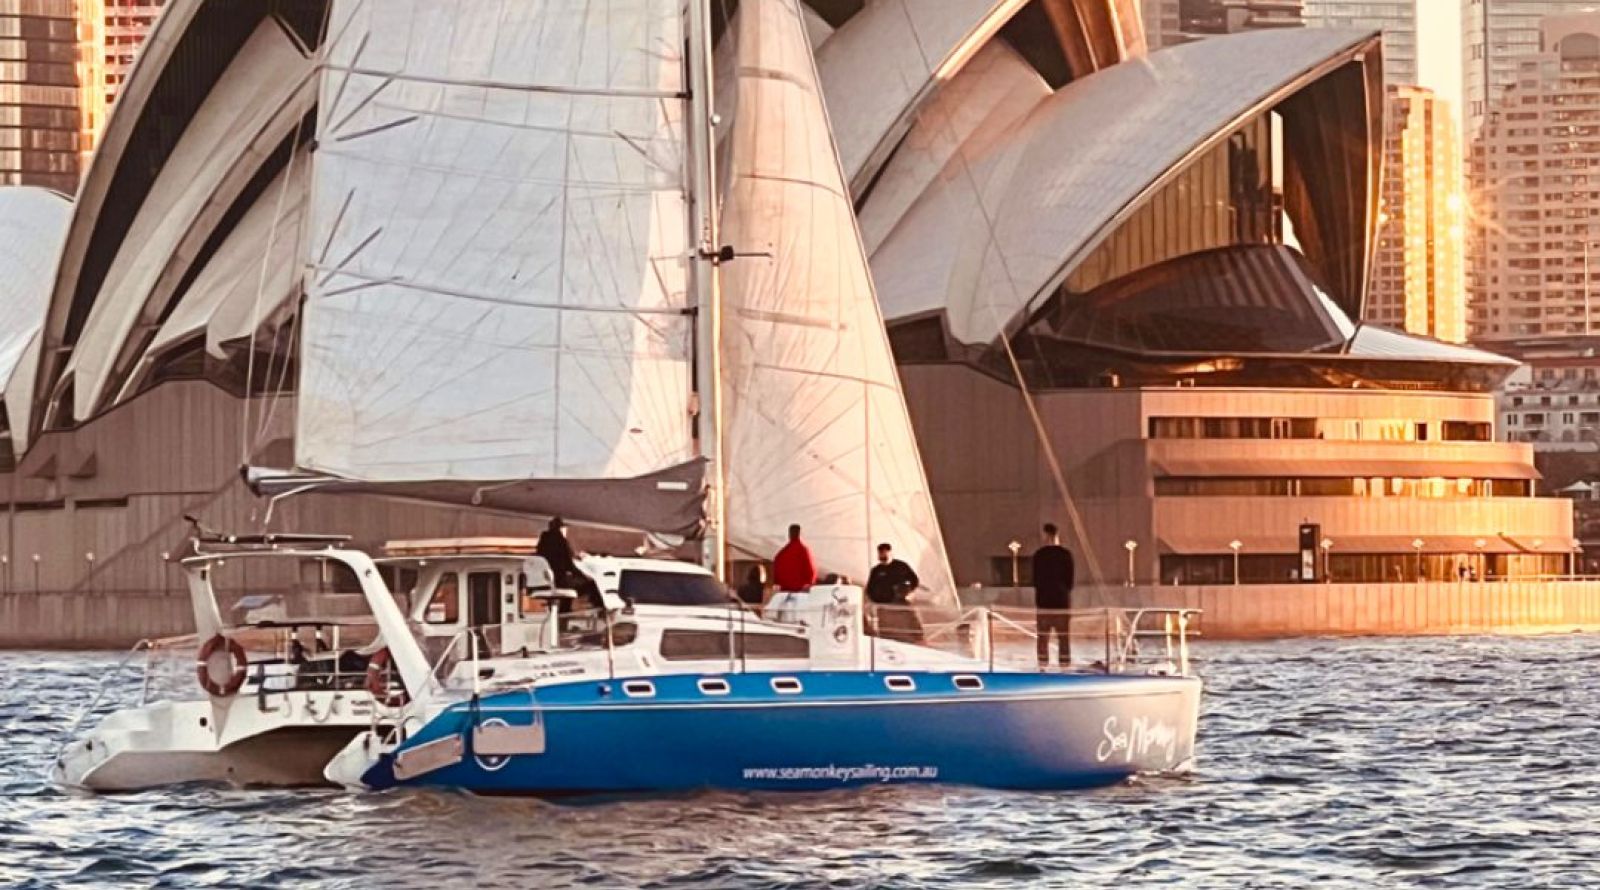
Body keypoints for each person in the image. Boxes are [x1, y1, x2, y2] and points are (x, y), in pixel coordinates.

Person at [537, 517, 604, 612]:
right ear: (560, 528)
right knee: (591, 584)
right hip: (559, 580)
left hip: (545, 581)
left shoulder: (543, 543)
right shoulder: (560, 542)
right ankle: (600, 611)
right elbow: (570, 566)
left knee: (567, 589)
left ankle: (563, 614)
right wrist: (584, 577)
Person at [1032, 523, 1075, 668]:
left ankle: (1042, 665)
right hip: (1062, 602)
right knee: (1063, 637)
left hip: (1044, 603)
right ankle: (1064, 664)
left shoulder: (1039, 555)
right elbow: (1070, 581)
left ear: (1046, 535)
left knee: (1043, 637)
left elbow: (1035, 580)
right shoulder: (1066, 555)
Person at [866, 542, 923, 643]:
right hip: (884, 606)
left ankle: (917, 640)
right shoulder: (876, 570)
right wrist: (876, 600)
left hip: (901, 602)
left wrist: (909, 592)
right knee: (886, 630)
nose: (882, 556)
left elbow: (914, 580)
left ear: (890, 553)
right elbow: (870, 589)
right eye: (880, 553)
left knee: (911, 623)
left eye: (885, 553)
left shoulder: (901, 566)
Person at [772, 524, 817, 592]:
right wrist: (810, 583)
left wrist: (778, 583)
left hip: (785, 591)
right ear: (800, 534)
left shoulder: (782, 553)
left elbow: (776, 571)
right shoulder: (803, 551)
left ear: (789, 534)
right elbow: (811, 571)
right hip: (800, 591)